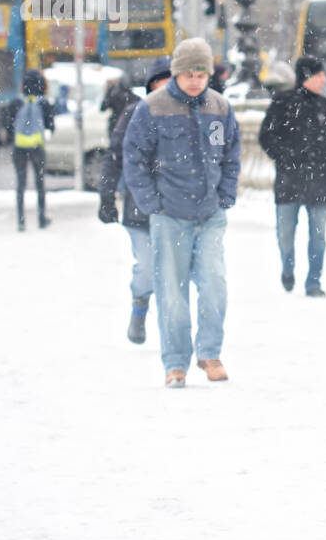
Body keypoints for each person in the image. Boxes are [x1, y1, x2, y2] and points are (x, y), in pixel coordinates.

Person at [123, 38, 241, 388]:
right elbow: (134, 158)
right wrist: (150, 203)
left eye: (201, 73)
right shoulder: (152, 108)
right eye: (189, 73)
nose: (195, 79)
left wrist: (226, 194)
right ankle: (175, 363)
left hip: (210, 213)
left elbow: (230, 155)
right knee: (172, 292)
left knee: (215, 285)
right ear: (176, 73)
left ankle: (210, 353)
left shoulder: (220, 108)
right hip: (169, 214)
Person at [99, 56, 171, 345]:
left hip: (176, 209)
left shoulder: (190, 112)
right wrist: (106, 196)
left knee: (171, 270)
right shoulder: (134, 114)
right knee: (147, 266)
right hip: (139, 208)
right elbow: (114, 156)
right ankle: (139, 306)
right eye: (161, 80)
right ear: (151, 84)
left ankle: (171, 329)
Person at [259, 54, 326, 297]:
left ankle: (313, 282)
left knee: (318, 236)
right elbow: (267, 137)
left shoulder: (325, 105)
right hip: (289, 179)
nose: (324, 79)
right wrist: (285, 158)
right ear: (307, 77)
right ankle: (288, 266)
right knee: (285, 234)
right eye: (320, 75)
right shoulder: (283, 103)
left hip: (320, 180)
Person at [8, 70, 55, 231]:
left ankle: (21, 221)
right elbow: (51, 126)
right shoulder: (43, 103)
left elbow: (8, 125)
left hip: (19, 147)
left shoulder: (16, 102)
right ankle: (41, 218)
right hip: (37, 147)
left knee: (21, 185)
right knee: (40, 184)